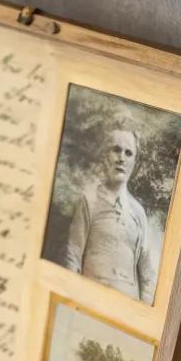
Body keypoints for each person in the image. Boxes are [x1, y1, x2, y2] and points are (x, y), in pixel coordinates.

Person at [64, 124, 155, 302]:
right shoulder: (88, 201)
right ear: (104, 156)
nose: (122, 158)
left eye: (128, 153)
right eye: (116, 150)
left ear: (134, 162)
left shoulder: (138, 212)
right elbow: (72, 255)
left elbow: (147, 270)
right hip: (91, 300)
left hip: (127, 307)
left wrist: (142, 309)